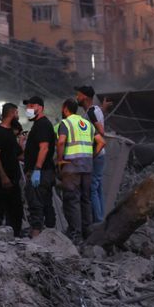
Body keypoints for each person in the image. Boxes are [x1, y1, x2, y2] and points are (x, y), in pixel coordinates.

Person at [56, 98, 106, 243]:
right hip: (87, 167)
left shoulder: (65, 123)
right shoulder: (87, 124)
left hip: (71, 168)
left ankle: (75, 234)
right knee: (86, 199)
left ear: (65, 109)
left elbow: (60, 142)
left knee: (72, 200)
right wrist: (91, 156)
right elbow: (102, 142)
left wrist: (60, 160)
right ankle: (87, 232)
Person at [0, 103, 24, 235]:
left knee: (16, 209)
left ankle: (15, 235)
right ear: (12, 113)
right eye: (17, 113)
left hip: (12, 179)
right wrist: (3, 176)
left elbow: (18, 155)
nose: (18, 116)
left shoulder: (10, 133)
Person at [22, 96, 56, 238]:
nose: (28, 109)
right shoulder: (40, 125)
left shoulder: (42, 125)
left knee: (36, 205)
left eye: (31, 106)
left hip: (41, 173)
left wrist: (36, 170)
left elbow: (44, 148)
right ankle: (51, 237)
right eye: (27, 106)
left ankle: (36, 238)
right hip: (44, 172)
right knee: (46, 204)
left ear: (40, 108)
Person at [75, 85, 107, 223]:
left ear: (85, 97)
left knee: (91, 189)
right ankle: (101, 219)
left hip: (96, 154)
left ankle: (98, 221)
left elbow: (101, 131)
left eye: (79, 95)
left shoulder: (90, 113)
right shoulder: (95, 110)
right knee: (97, 188)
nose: (77, 97)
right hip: (100, 154)